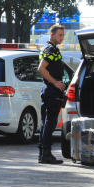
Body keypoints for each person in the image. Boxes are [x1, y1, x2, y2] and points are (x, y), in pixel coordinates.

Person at [37, 23, 67, 164]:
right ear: (52, 35)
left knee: (46, 122)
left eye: (62, 35)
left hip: (47, 89)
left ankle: (43, 153)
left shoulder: (47, 49)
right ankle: (46, 154)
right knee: (50, 123)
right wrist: (56, 83)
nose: (62, 37)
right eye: (59, 35)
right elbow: (41, 68)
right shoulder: (51, 50)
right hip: (52, 90)